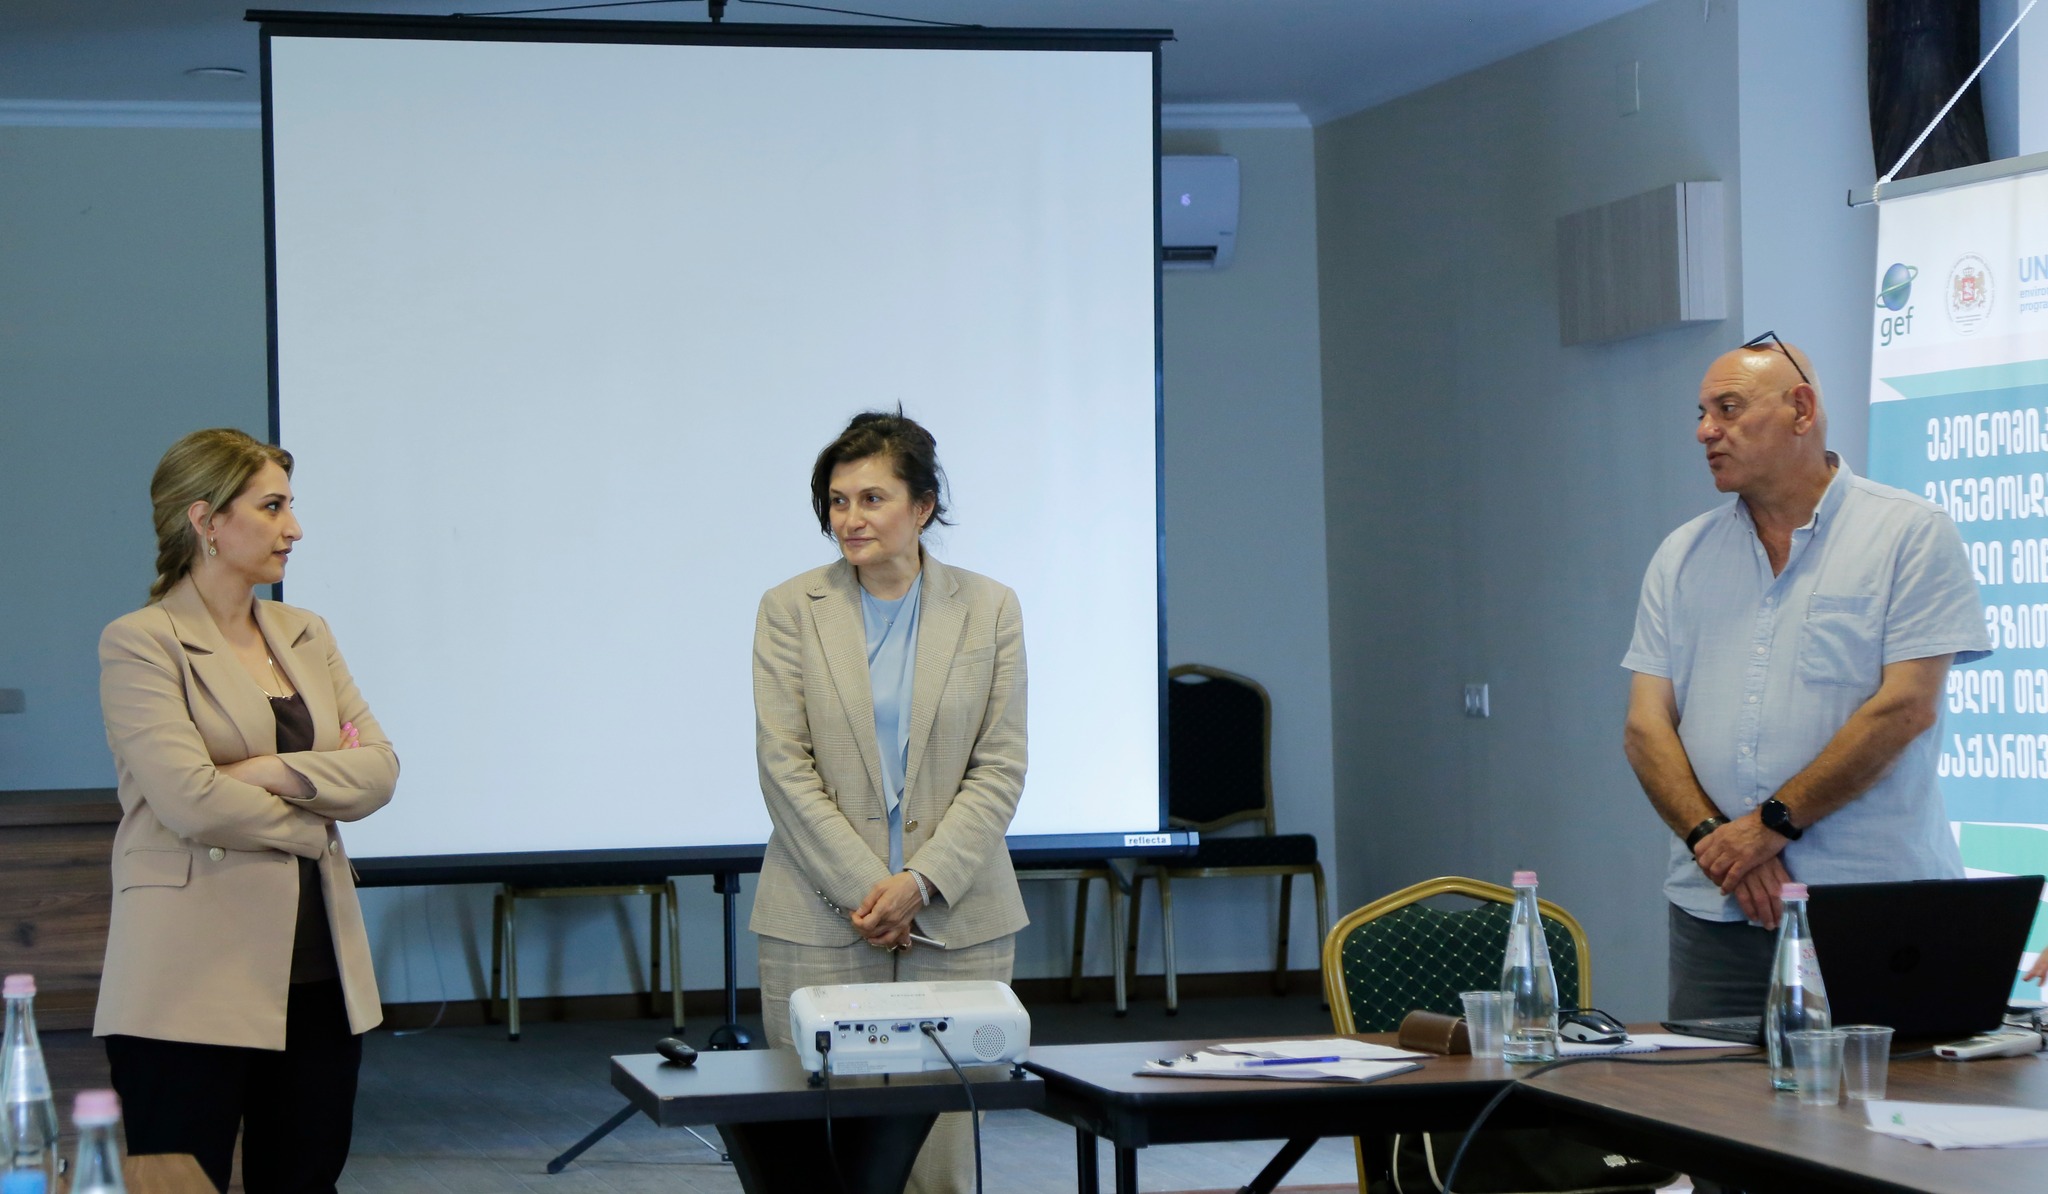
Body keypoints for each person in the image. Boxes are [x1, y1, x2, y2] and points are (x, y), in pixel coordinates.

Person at [1623, 336, 1989, 1022]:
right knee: (1707, 1093)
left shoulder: (1909, 533)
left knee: (1884, 1091)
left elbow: (1906, 709)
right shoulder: (1682, 555)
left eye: (1729, 408)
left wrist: (1770, 826)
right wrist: (1718, 842)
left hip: (1873, 904)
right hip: (1720, 910)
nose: (1706, 431)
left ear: (1801, 408)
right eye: (1702, 413)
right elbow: (1646, 727)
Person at [96, 428, 398, 1193]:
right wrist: (317, 814)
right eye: (271, 507)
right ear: (205, 520)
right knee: (178, 1181)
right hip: (186, 977)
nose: (293, 528)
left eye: (290, 506)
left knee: (305, 1182)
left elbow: (379, 770)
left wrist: (265, 771)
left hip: (317, 975)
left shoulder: (306, 633)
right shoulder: (141, 643)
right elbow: (190, 799)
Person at [750, 410, 1027, 1194]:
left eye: (872, 499)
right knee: (821, 1161)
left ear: (923, 506)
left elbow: (1000, 765)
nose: (851, 518)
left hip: (957, 920)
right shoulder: (789, 608)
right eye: (837, 502)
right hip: (819, 919)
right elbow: (783, 766)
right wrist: (874, 892)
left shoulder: (990, 607)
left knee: (939, 1164)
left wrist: (920, 883)